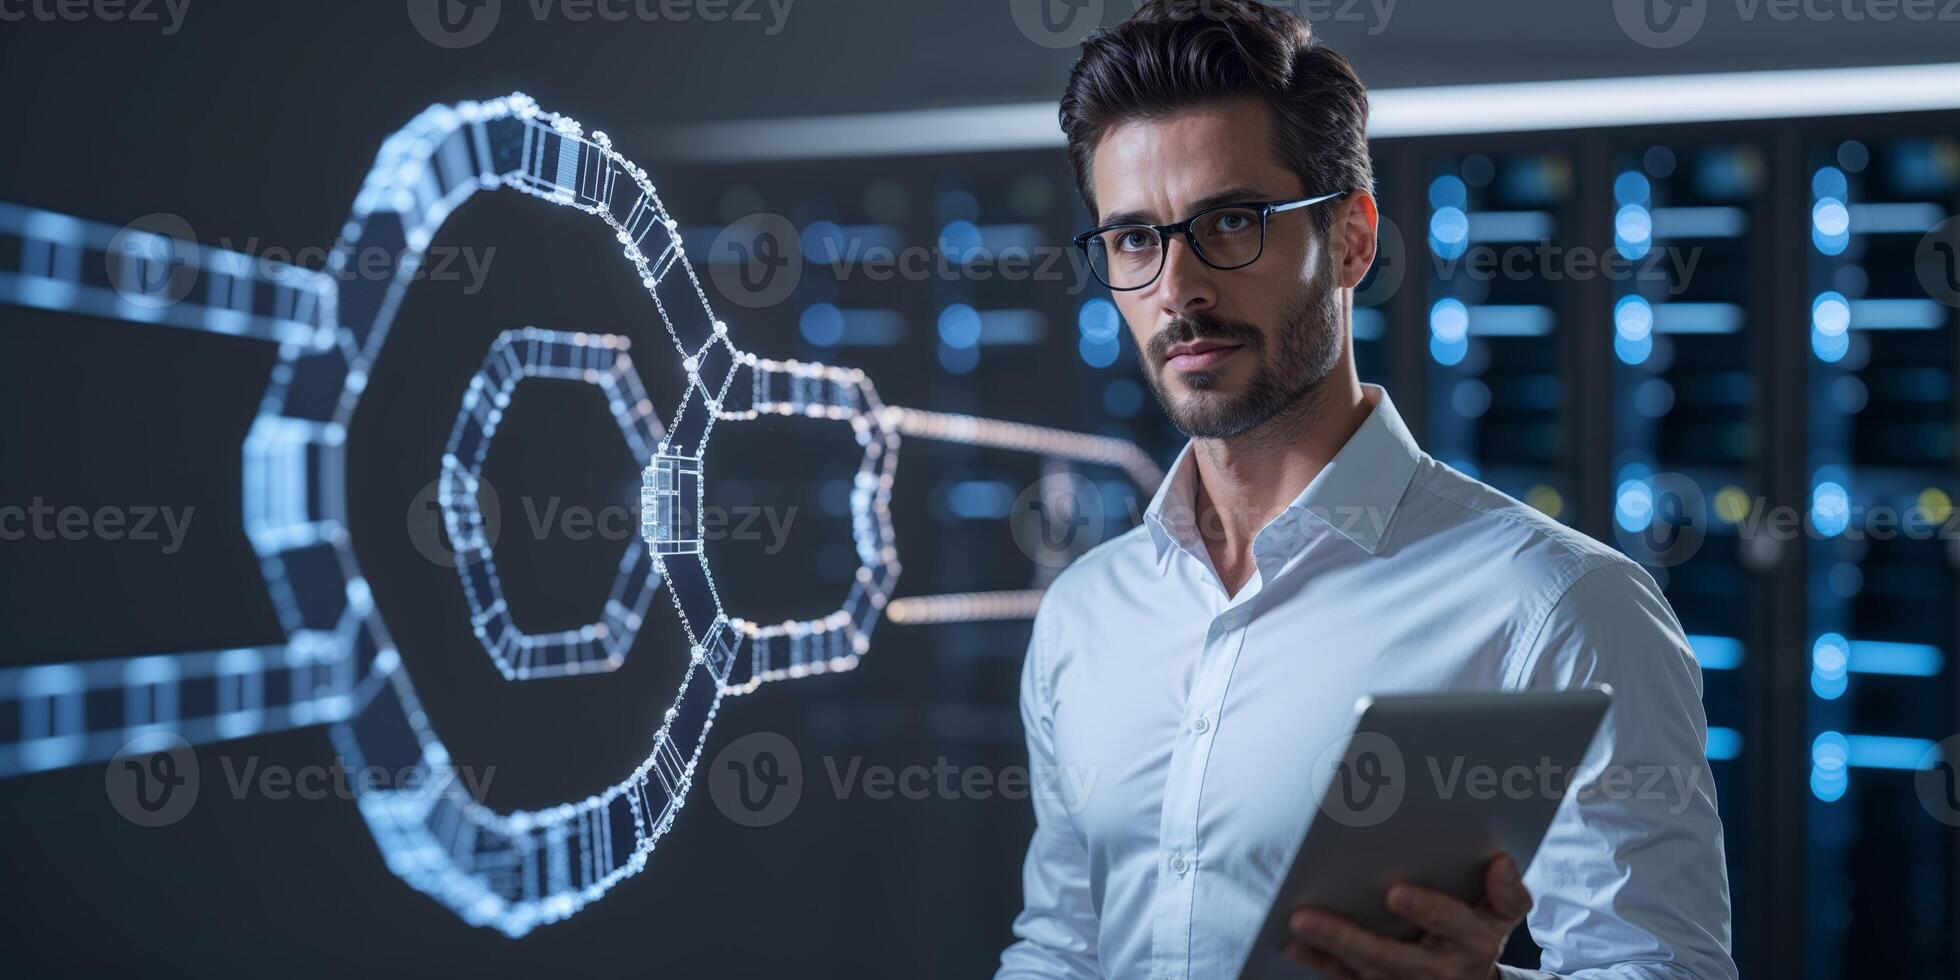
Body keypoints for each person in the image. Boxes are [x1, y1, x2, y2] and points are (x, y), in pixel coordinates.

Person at [994, 2, 1737, 978]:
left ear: (1350, 239)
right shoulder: (1087, 614)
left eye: (1229, 221)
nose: (1177, 287)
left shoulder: (1553, 607)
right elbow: (1061, 946)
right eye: (1135, 239)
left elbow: (1665, 966)